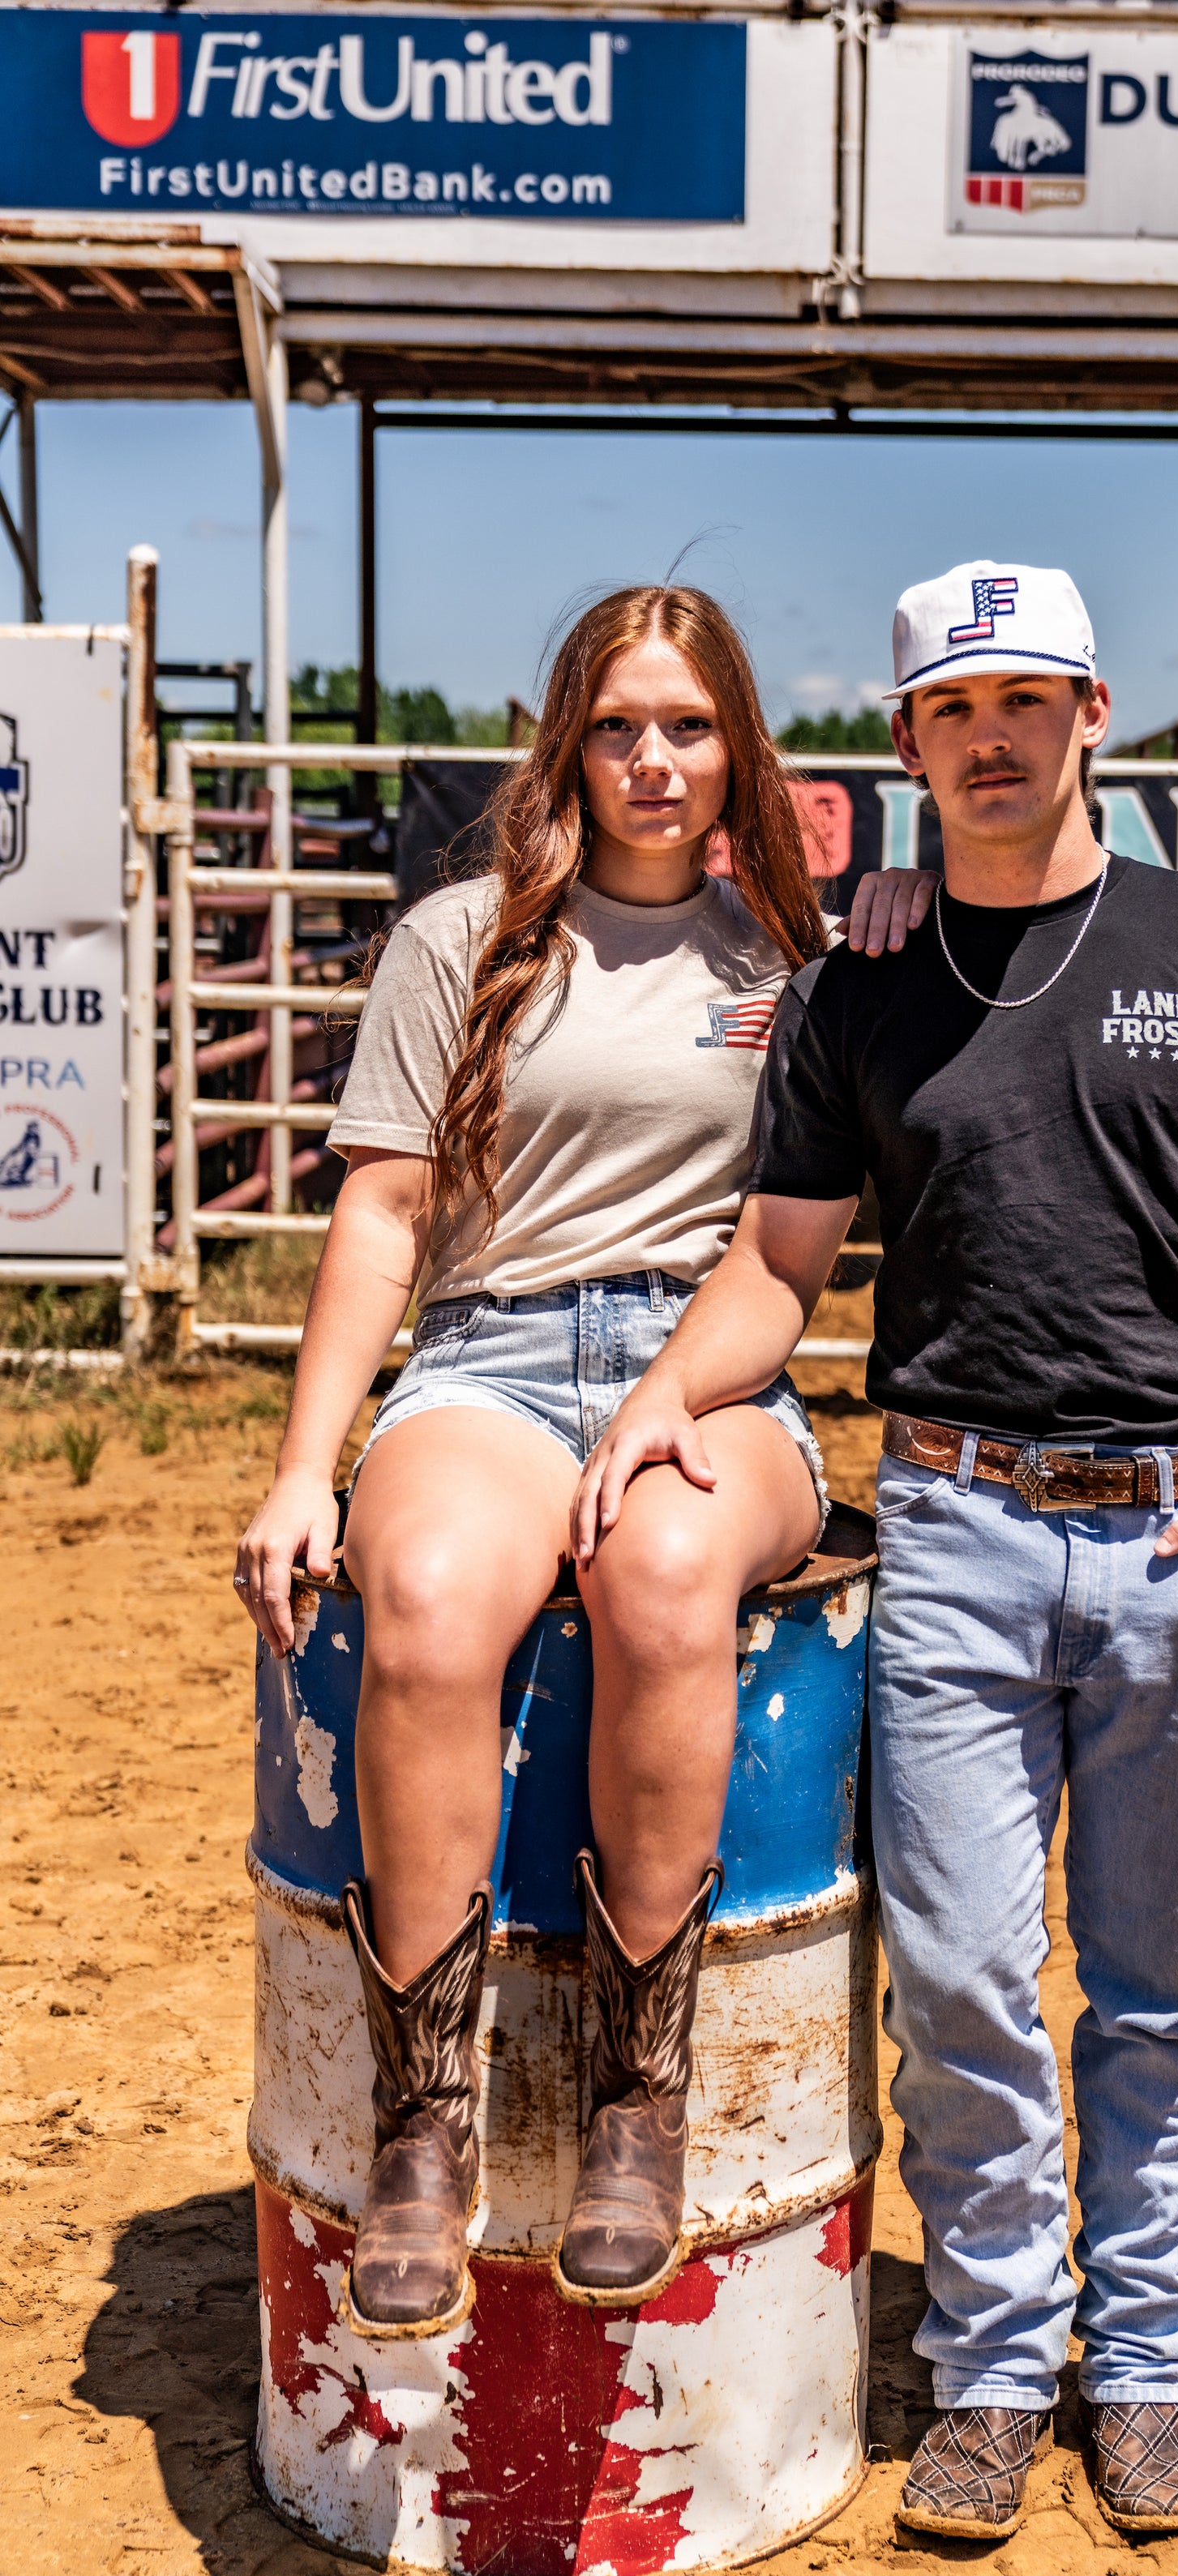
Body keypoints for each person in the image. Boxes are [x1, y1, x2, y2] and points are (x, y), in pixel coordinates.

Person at [572, 560, 1178, 2538]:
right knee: (952, 1972)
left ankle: (1150, 2363)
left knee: (1160, 1976)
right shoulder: (866, 983)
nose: (994, 736)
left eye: (1027, 699)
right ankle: (1000, 2358)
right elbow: (780, 1262)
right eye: (954, 708)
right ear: (912, 740)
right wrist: (669, 1391)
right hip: (950, 1520)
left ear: (1093, 713)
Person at [233, 584, 923, 2336]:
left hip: (711, 1368)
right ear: (569, 742)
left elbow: (799, 1248)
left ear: (738, 750)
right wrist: (306, 1464)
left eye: (688, 726)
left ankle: (640, 2099)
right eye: (617, 723)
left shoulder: (797, 965)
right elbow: (385, 1216)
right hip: (491, 1352)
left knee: (670, 1571)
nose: (652, 758)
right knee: (431, 1602)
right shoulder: (457, 939)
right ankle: (423, 2125)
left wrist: (906, 946)